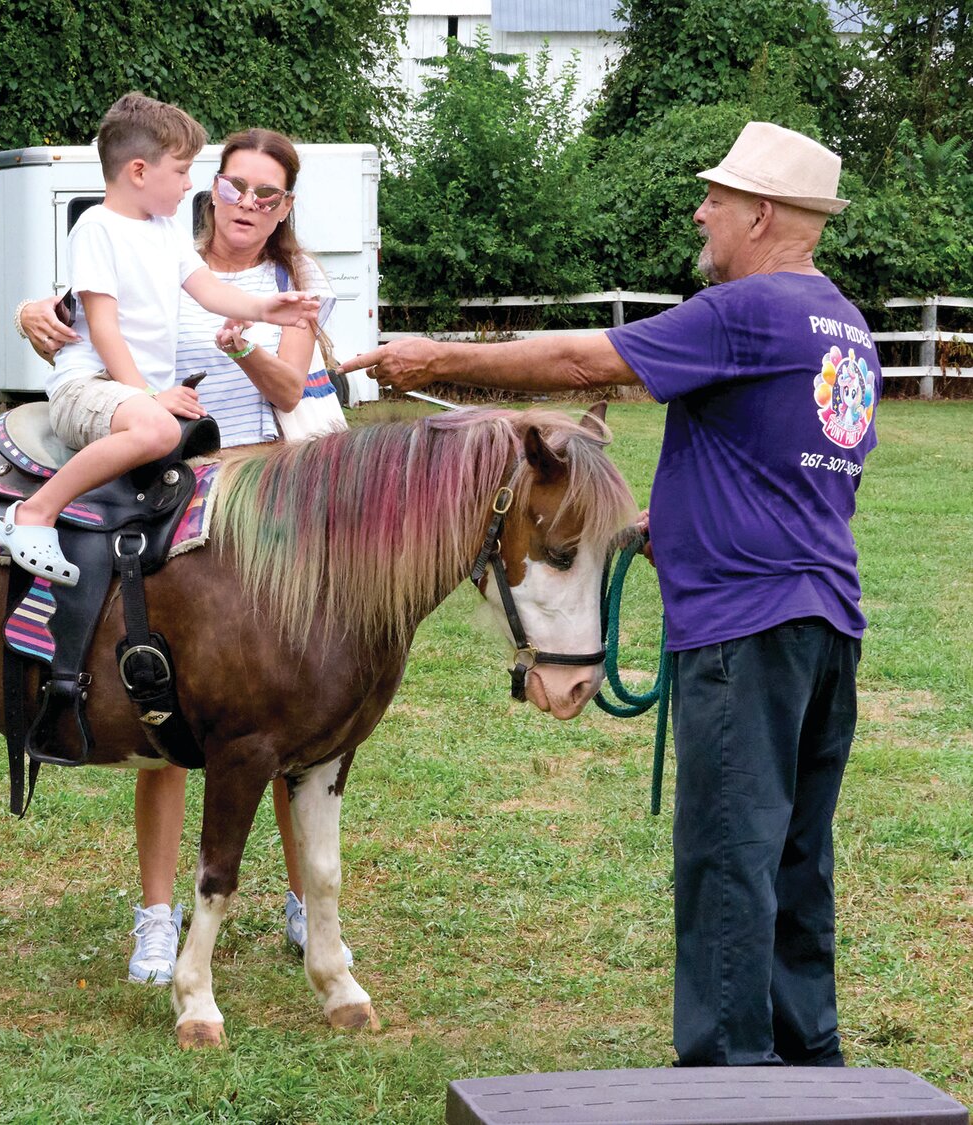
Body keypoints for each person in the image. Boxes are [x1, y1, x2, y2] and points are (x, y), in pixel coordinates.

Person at [341, 121, 879, 1068]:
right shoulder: (845, 325)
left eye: (717, 198)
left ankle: (728, 1082)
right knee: (797, 855)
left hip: (746, 629)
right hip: (826, 620)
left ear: (761, 214)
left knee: (726, 858)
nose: (701, 212)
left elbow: (584, 363)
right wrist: (669, 527)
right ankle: (812, 1063)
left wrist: (435, 360)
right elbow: (803, 478)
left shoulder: (749, 308)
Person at [18, 128, 352, 985]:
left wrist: (242, 333)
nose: (247, 203)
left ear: (284, 207)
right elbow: (76, 325)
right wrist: (31, 316)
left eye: (267, 194)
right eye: (236, 185)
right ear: (212, 187)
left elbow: (288, 390)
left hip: (267, 492)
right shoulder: (156, 239)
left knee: (282, 721)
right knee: (165, 709)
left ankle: (301, 900)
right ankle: (157, 916)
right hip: (171, 484)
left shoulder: (294, 283)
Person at [0, 94, 317, 588]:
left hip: (149, 405)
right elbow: (101, 326)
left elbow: (208, 289)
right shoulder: (97, 228)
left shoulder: (166, 231)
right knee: (159, 431)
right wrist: (147, 396)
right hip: (95, 385)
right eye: (184, 172)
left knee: (163, 430)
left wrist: (265, 308)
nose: (192, 186)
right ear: (139, 171)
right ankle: (33, 514)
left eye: (267, 195)